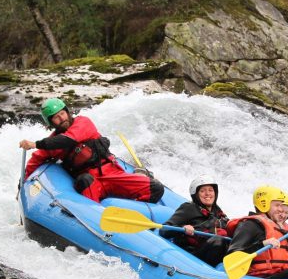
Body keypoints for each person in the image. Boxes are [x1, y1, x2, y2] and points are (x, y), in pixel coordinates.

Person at [19, 98, 164, 203]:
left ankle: (133, 211)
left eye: (62, 113)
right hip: (91, 181)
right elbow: (34, 162)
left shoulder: (83, 123)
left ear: (67, 112)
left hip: (112, 174)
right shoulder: (52, 143)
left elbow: (69, 139)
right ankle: (96, 215)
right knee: (84, 180)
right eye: (56, 118)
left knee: (156, 188)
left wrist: (35, 144)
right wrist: (22, 187)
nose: (61, 118)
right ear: (51, 123)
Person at [159, 175, 230, 266]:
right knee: (218, 241)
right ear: (196, 195)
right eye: (202, 191)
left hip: (212, 254)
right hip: (192, 257)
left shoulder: (218, 212)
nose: (207, 194)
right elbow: (164, 230)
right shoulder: (189, 208)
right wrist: (183, 228)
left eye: (210, 190)